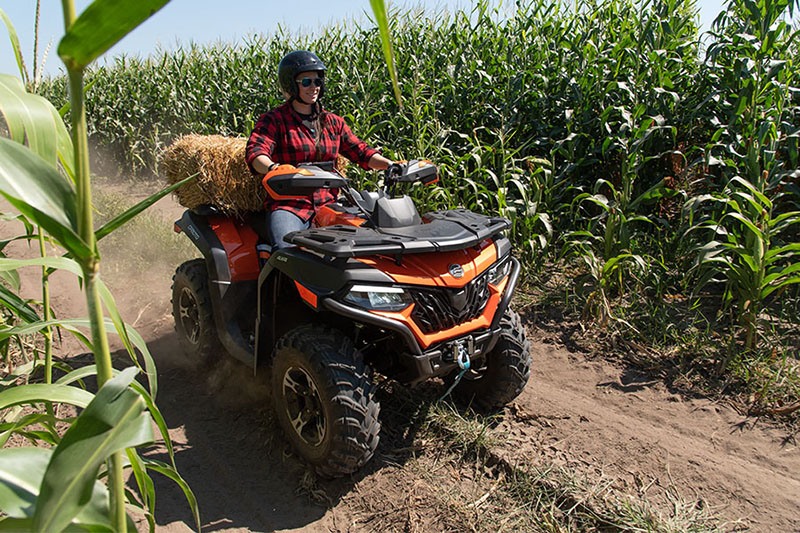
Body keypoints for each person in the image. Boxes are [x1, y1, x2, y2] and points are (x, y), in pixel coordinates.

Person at [246, 50, 395, 249]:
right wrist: (274, 167)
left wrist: (390, 165)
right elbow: (256, 152)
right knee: (287, 249)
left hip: (329, 204)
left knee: (366, 243)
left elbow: (361, 152)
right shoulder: (275, 120)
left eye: (317, 81)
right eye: (306, 82)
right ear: (291, 85)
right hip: (291, 205)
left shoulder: (333, 122)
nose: (314, 87)